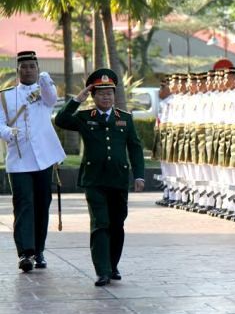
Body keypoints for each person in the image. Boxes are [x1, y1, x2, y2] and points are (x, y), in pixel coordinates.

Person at [55, 68, 145, 286]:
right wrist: (77, 100)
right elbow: (61, 119)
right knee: (100, 223)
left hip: (118, 179)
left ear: (114, 96)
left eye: (110, 93)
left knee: (117, 224)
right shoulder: (85, 117)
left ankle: (113, 266)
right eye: (101, 93)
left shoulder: (124, 119)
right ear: (93, 96)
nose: (106, 97)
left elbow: (135, 148)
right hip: (94, 180)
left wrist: (139, 175)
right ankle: (102, 271)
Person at [0, 51, 66, 272]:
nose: (28, 70)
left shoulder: (43, 92)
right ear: (17, 70)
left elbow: (52, 99)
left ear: (37, 69)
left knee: (41, 205)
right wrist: (9, 132)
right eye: (24, 66)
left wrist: (45, 77)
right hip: (19, 160)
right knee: (23, 205)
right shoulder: (5, 96)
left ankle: (39, 250)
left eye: (32, 66)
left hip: (44, 160)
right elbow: (0, 123)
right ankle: (25, 254)